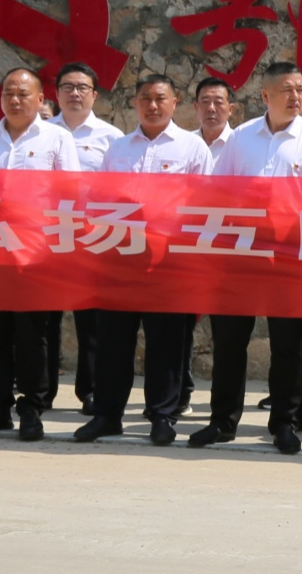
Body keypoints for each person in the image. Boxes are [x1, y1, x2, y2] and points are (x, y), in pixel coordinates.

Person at [191, 62, 302, 455]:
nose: (296, 97)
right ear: (265, 96)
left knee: (288, 345)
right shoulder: (241, 138)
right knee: (229, 341)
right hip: (240, 254)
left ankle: (284, 422)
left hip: (291, 256)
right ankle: (222, 421)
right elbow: (218, 192)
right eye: (287, 89)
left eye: (300, 89)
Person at [76, 74, 212, 446]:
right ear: (135, 103)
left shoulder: (192, 148)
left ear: (175, 102)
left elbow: (204, 203)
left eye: (160, 98)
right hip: (121, 257)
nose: (152, 105)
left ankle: (162, 415)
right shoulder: (118, 148)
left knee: (166, 342)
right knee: (113, 341)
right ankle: (107, 415)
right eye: (145, 98)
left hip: (169, 260)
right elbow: (102, 199)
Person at [0, 67, 81, 442]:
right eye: (8, 93)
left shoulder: (57, 139)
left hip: (36, 254)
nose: (14, 99)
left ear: (40, 99)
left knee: (32, 336)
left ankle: (32, 407)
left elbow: (73, 193)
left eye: (22, 93)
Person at [49, 62, 124, 417]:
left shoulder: (112, 139)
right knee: (44, 316)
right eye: (67, 87)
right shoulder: (41, 133)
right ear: (56, 93)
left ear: (95, 95)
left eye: (82, 87)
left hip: (92, 238)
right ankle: (41, 391)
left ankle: (91, 390)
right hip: (46, 236)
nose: (74, 93)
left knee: (91, 321)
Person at [178, 76, 237, 418]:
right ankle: (180, 392)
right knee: (182, 322)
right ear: (195, 107)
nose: (212, 108)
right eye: (205, 102)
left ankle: (223, 405)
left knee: (228, 330)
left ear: (231, 108)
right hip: (188, 245)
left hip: (231, 248)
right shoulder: (182, 145)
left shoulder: (243, 143)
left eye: (219, 102)